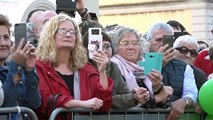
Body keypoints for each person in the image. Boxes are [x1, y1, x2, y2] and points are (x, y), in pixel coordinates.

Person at [35, 13, 113, 120]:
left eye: (72, 32)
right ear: (51, 36)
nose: (68, 35)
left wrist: (102, 71)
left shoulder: (85, 68)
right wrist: (82, 104)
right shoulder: (40, 66)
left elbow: (104, 104)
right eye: (62, 31)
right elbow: (45, 100)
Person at [82, 29, 151, 109]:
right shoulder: (84, 68)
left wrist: (135, 95)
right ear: (88, 50)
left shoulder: (112, 66)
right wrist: (132, 97)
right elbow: (102, 101)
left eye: (107, 46)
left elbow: (124, 94)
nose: (104, 51)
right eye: (98, 47)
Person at [110, 26, 173, 108]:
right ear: (115, 47)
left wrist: (157, 86)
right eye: (125, 43)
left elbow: (163, 104)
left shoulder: (145, 64)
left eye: (135, 43)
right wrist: (158, 98)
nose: (131, 47)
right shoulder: (113, 66)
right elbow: (119, 101)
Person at [146, 22, 198, 120]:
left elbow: (191, 93)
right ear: (149, 43)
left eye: (166, 39)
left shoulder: (184, 67)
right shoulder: (141, 62)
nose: (162, 44)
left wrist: (184, 102)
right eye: (158, 40)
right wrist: (157, 62)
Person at [0, 14, 40, 119]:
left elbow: (33, 103)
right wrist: (16, 64)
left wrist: (29, 70)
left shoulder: (13, 69)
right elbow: (8, 103)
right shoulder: (14, 67)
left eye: (6, 37)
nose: (3, 43)